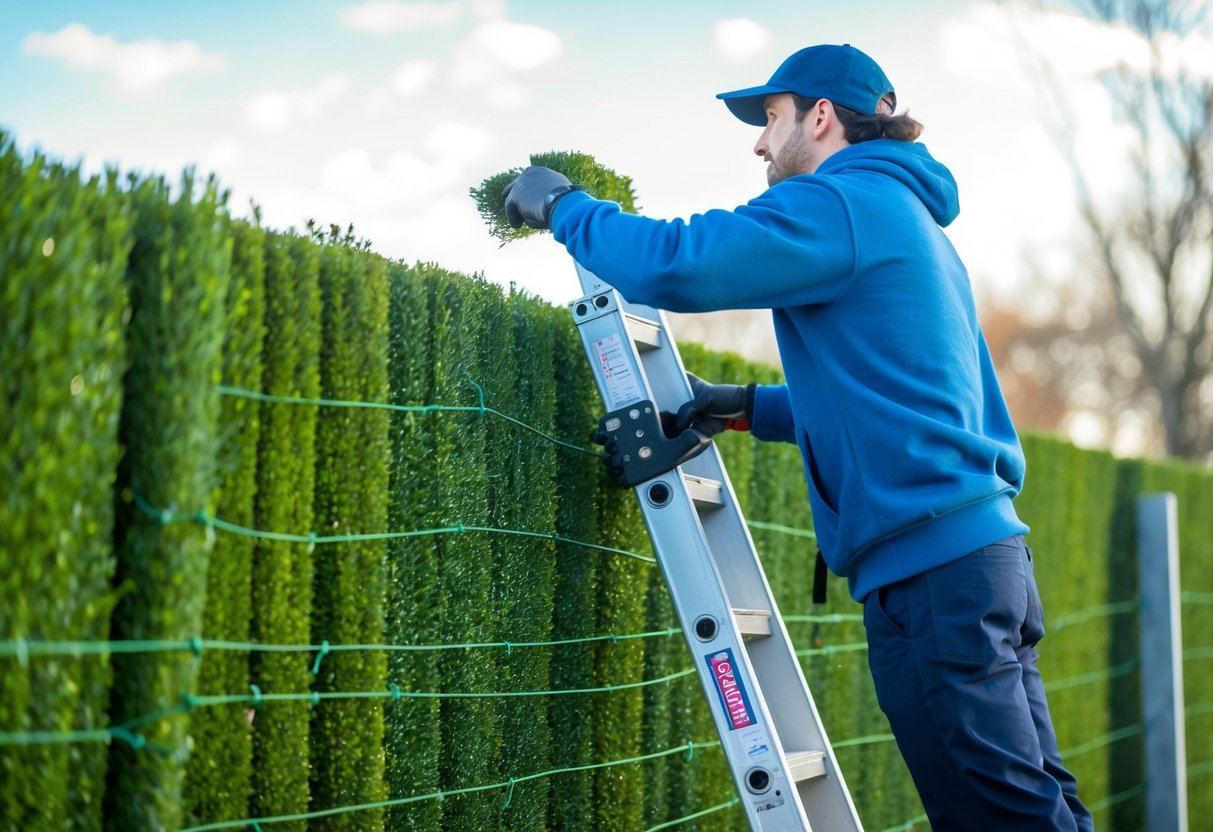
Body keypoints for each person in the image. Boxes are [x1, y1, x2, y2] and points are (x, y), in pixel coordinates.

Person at [503, 43, 1094, 831]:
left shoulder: (838, 204)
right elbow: (893, 399)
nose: (757, 141)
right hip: (979, 562)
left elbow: (679, 265)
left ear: (820, 118)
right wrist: (744, 405)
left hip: (934, 577)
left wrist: (564, 208)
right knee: (1037, 803)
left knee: (1000, 818)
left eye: (770, 119)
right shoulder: (902, 215)